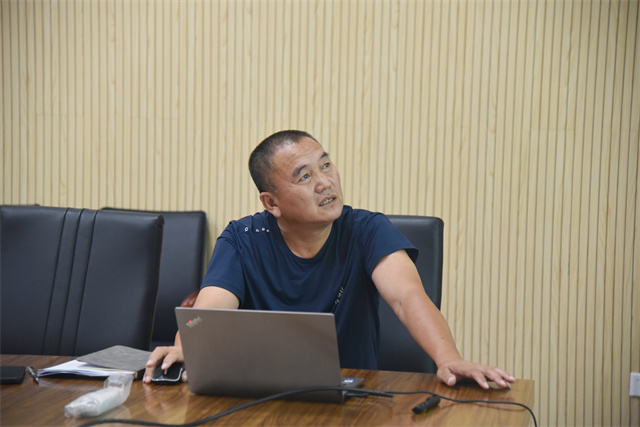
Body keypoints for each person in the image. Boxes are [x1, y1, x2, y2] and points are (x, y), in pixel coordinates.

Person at [144, 130, 515, 390]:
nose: (325, 182)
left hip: (355, 401)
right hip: (263, 400)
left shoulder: (367, 230)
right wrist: (185, 347)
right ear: (271, 203)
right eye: (305, 176)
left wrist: (448, 357)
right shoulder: (243, 238)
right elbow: (209, 313)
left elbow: (407, 297)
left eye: (326, 165)